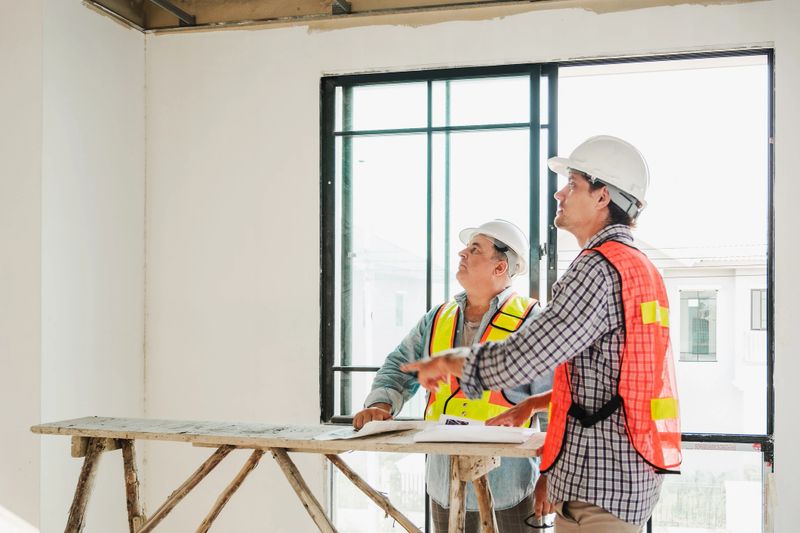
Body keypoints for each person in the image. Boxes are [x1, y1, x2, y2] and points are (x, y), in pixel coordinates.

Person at [404, 135, 682, 533]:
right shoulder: (636, 264)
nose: (559, 193)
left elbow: (528, 355)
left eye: (573, 184)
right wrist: (533, 406)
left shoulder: (597, 269)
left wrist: (452, 362)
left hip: (600, 482)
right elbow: (610, 380)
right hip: (620, 475)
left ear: (602, 197)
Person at [353, 219, 553, 533]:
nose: (462, 253)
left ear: (500, 267)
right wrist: (382, 404)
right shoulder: (439, 318)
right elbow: (398, 367)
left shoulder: (531, 321)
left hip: (508, 485)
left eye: (475, 249)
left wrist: (550, 473)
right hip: (443, 478)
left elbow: (559, 399)